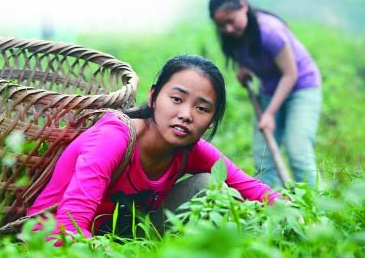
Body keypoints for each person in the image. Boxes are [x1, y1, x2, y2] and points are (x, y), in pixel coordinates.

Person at [27, 55, 281, 244]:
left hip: (119, 237)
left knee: (208, 183)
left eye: (201, 108)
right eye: (176, 99)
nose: (185, 115)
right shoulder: (113, 138)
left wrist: (294, 212)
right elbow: (70, 223)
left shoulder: (190, 149)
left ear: (211, 120)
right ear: (153, 97)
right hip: (54, 236)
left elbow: (252, 188)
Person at [208, 0, 322, 188]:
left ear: (243, 6)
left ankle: (316, 210)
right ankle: (273, 207)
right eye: (221, 25)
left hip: (302, 88)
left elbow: (290, 74)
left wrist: (269, 114)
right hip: (269, 89)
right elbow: (244, 52)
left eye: (231, 21)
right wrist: (244, 68)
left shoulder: (270, 32)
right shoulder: (233, 34)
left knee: (298, 152)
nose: (227, 29)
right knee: (263, 157)